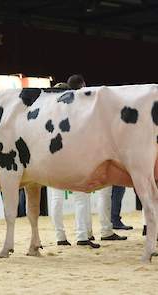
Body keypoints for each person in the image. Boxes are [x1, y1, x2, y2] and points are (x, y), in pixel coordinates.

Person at [50, 74, 126, 248]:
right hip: (74, 155)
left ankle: (60, 237)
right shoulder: (76, 109)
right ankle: (82, 235)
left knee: (56, 198)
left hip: (53, 155)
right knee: (81, 196)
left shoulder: (50, 111)